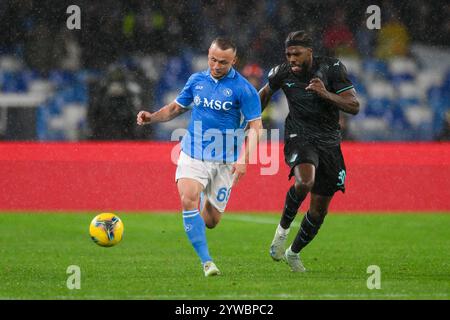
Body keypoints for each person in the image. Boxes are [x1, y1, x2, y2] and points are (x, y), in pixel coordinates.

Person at [137, 38, 262, 276]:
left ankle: (200, 205)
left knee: (212, 221)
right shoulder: (197, 81)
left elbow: (256, 127)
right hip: (193, 152)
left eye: (223, 62)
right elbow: (175, 108)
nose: (216, 65)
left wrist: (244, 159)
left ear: (234, 61)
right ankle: (207, 262)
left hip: (225, 160)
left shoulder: (244, 89)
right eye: (213, 59)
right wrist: (150, 117)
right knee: (188, 199)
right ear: (208, 55)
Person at [258, 30, 360, 272]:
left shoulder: (333, 68)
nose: (291, 58)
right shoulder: (282, 72)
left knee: (319, 210)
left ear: (310, 53)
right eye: (288, 54)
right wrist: (250, 120)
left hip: (330, 143)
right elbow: (262, 96)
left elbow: (354, 105)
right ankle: (281, 233)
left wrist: (325, 93)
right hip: (299, 136)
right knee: (304, 181)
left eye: (297, 53)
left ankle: (293, 253)